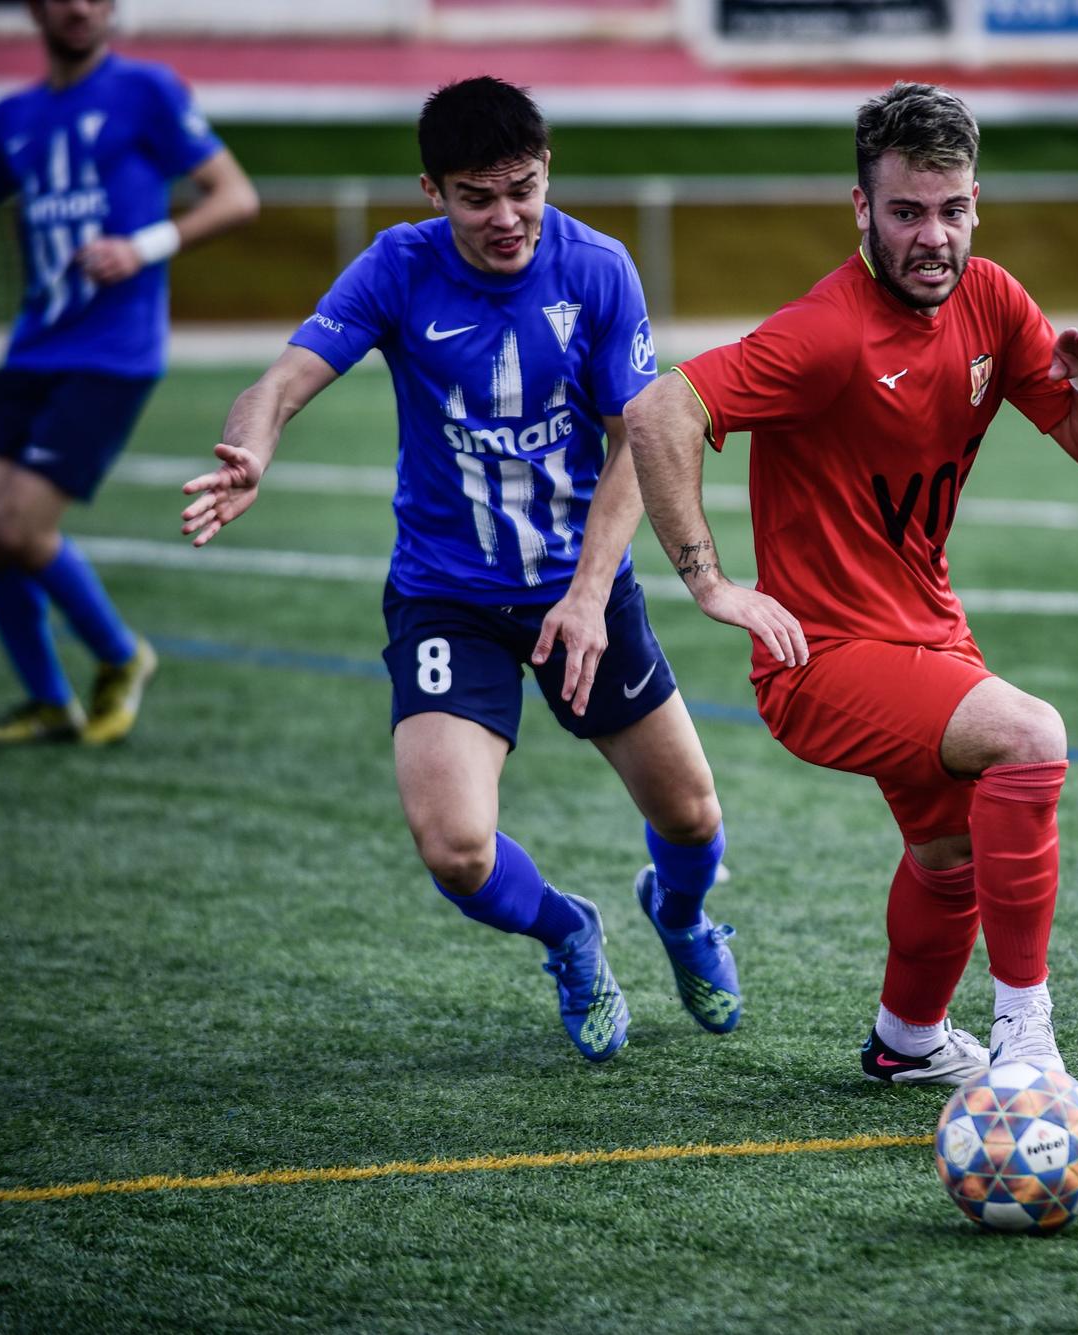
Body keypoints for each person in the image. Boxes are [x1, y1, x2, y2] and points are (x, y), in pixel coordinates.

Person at [179, 77, 736, 1063]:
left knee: (691, 817)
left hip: (582, 589)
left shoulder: (598, 270)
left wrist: (587, 594)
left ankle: (684, 919)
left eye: (521, 188)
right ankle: (568, 931)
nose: (506, 216)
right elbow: (283, 380)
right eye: (477, 196)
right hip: (446, 598)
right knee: (455, 848)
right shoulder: (396, 268)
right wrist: (251, 450)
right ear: (432, 191)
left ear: (546, 170)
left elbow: (635, 444)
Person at [626, 81, 1078, 1083]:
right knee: (1029, 738)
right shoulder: (824, 334)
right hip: (821, 659)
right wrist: (712, 583)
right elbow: (657, 412)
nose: (931, 237)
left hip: (926, 636)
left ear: (975, 203)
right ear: (861, 208)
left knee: (953, 863)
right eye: (904, 211)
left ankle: (907, 1043)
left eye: (950, 211)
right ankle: (1025, 1039)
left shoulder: (991, 298)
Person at [0, 0, 258, 742]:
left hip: (113, 351)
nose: (80, 7)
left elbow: (237, 197)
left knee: (21, 527)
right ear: (35, 9)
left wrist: (142, 247)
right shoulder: (10, 118)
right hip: (31, 350)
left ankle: (123, 655)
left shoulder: (148, 89)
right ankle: (50, 700)